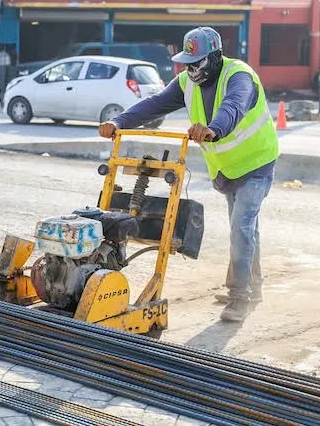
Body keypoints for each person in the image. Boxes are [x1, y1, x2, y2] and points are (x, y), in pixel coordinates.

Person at [99, 27, 280, 322]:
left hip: (257, 163)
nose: (191, 69)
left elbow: (233, 106)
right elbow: (154, 104)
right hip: (227, 168)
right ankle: (252, 287)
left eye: (197, 62)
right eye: (187, 62)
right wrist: (119, 121)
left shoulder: (239, 76)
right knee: (245, 228)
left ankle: (239, 297)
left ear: (216, 57)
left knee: (242, 226)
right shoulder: (186, 82)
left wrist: (214, 129)